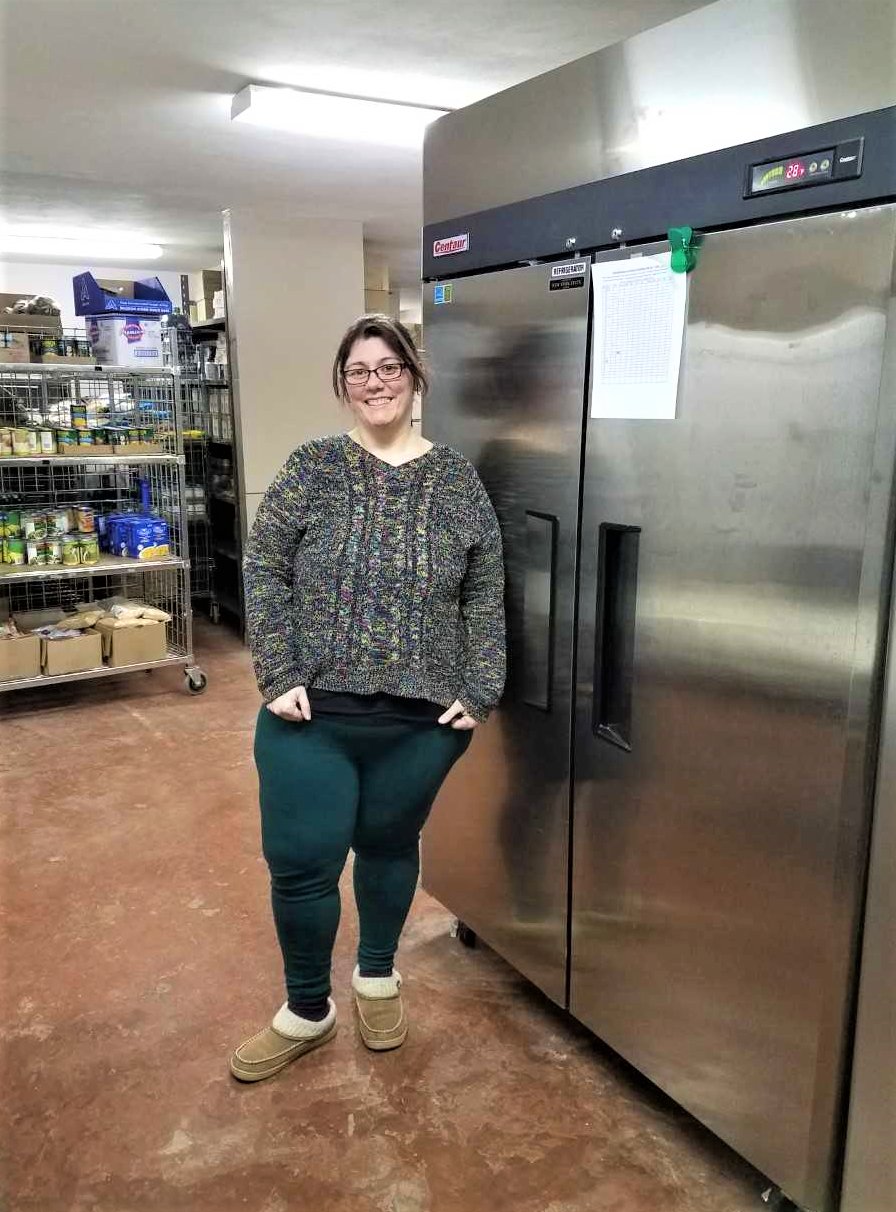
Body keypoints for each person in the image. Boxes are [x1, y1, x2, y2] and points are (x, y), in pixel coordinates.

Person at [230, 314, 506, 1082]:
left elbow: (484, 590)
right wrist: (277, 670)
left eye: (389, 367)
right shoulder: (312, 466)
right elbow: (264, 568)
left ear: (415, 377)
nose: (375, 382)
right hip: (309, 712)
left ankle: (377, 975)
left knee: (388, 848)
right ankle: (306, 1009)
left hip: (422, 721)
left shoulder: (455, 480)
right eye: (359, 371)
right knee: (302, 862)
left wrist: (482, 686)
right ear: (343, 385)